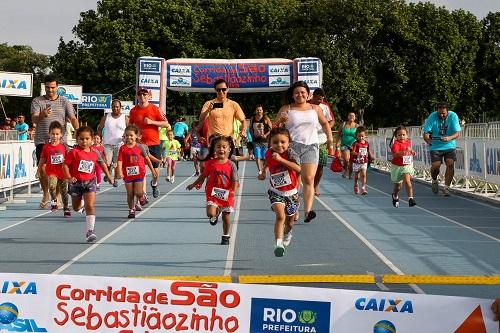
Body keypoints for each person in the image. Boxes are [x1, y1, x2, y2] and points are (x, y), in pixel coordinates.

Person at [273, 81, 334, 223]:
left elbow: (325, 123)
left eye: (302, 92)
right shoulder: (286, 108)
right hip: (292, 147)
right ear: (292, 95)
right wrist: (281, 121)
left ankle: (307, 211)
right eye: (296, 93)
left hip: (311, 146)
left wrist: (330, 139)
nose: (300, 95)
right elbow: (275, 128)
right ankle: (294, 207)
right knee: (294, 181)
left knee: (308, 179)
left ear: (308, 94)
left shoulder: (315, 108)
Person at [31, 75, 79, 209]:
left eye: (53, 87)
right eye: (47, 87)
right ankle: (46, 193)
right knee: (44, 169)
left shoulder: (64, 101)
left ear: (57, 87)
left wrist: (79, 131)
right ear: (44, 87)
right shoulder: (37, 101)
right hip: (42, 140)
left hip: (60, 142)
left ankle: (56, 196)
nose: (50, 90)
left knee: (59, 169)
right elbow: (34, 120)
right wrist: (42, 115)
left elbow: (73, 118)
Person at [63, 126, 113, 242]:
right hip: (75, 183)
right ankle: (81, 206)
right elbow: (65, 165)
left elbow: (102, 164)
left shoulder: (95, 152)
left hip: (90, 182)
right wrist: (69, 177)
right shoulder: (74, 152)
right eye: (81, 139)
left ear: (91, 140)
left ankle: (90, 231)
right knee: (75, 207)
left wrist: (109, 176)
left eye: (87, 139)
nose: (84, 141)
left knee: (90, 205)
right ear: (77, 139)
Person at [186, 135, 239, 245]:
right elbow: (203, 176)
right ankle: (216, 212)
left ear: (229, 149)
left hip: (227, 193)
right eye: (218, 147)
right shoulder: (210, 163)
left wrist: (233, 192)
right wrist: (194, 184)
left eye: (224, 147)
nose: (221, 149)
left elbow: (235, 181)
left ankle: (225, 235)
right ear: (214, 149)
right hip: (213, 193)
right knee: (210, 213)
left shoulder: (231, 164)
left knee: (226, 216)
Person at [258, 127, 301, 257]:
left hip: (291, 193)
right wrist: (263, 171)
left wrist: (281, 160)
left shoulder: (291, 153)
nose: (279, 145)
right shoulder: (269, 153)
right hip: (275, 191)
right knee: (280, 216)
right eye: (275, 142)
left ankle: (287, 233)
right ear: (270, 143)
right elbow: (267, 163)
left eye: (283, 142)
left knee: (290, 222)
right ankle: (278, 244)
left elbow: (298, 168)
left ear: (288, 142)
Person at [129, 87, 170, 198]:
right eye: (140, 94)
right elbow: (130, 127)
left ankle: (154, 184)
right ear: (137, 96)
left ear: (149, 96)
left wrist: (151, 122)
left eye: (144, 94)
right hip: (140, 144)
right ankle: (143, 194)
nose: (142, 96)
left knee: (155, 172)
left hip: (154, 143)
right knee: (141, 170)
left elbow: (166, 124)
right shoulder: (133, 110)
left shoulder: (155, 109)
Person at [115, 125, 157, 218]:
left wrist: (153, 170)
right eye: (126, 135)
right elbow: (120, 161)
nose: (129, 137)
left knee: (138, 192)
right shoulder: (122, 148)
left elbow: (147, 159)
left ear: (136, 136)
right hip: (127, 174)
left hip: (139, 173)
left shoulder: (140, 147)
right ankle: (131, 210)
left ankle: (142, 197)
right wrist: (119, 172)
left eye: (131, 135)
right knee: (130, 194)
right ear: (124, 136)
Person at [423, 102, 461, 196]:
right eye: (439, 113)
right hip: (435, 146)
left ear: (447, 111)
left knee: (450, 164)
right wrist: (429, 140)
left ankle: (446, 187)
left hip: (449, 145)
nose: (441, 115)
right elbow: (425, 133)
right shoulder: (432, 116)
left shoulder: (453, 116)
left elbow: (457, 133)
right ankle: (435, 180)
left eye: (443, 113)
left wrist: (449, 138)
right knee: (436, 166)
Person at [35, 121, 70, 217]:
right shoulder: (46, 147)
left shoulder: (64, 147)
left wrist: (68, 170)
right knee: (51, 186)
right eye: (53, 134)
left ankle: (66, 208)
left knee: (64, 192)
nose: (55, 136)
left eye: (57, 134)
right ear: (49, 134)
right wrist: (38, 171)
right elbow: (42, 159)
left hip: (62, 172)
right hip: (51, 172)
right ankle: (54, 201)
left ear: (61, 135)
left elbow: (69, 160)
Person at [310, 88, 335, 196]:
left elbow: (332, 120)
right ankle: (308, 185)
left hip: (322, 141)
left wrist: (327, 127)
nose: (320, 101)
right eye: (318, 99)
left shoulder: (325, 106)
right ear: (313, 96)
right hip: (309, 140)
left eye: (321, 99)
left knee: (321, 165)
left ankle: (315, 187)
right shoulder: (306, 105)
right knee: (309, 165)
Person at [97, 99, 129, 184]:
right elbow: (100, 128)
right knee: (107, 163)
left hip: (119, 144)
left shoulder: (125, 118)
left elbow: (129, 130)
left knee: (116, 163)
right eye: (114, 107)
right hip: (107, 144)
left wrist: (126, 138)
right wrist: (99, 138)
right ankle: (109, 172)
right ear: (111, 107)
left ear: (120, 107)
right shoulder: (106, 117)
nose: (115, 108)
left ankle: (114, 179)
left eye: (117, 107)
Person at [390, 125, 416, 207]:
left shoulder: (408, 142)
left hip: (406, 165)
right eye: (399, 135)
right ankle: (395, 196)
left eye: (404, 135)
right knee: (398, 187)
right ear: (396, 136)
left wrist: (412, 151)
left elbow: (409, 150)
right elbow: (395, 155)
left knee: (407, 181)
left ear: (407, 135)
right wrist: (404, 152)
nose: (402, 137)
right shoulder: (396, 144)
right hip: (397, 166)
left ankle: (410, 199)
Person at [249, 104, 272, 175]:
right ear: (255, 111)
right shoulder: (253, 118)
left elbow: (270, 129)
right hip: (256, 140)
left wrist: (265, 135)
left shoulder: (265, 118)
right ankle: (260, 170)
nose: (259, 111)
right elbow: (250, 128)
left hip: (264, 141)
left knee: (265, 157)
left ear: (262, 111)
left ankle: (264, 168)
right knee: (257, 156)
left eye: (260, 110)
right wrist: (252, 134)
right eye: (257, 110)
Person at [337, 112, 358, 179]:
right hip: (344, 145)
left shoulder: (357, 126)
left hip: (354, 146)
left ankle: (350, 174)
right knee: (346, 159)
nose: (351, 116)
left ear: (355, 118)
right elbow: (338, 134)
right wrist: (337, 142)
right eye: (350, 115)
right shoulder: (343, 124)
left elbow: (361, 135)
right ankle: (346, 169)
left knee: (351, 161)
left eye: (353, 116)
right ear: (348, 117)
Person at [350, 126, 371, 195]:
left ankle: (363, 188)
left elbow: (368, 151)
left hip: (364, 161)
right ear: (356, 136)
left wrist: (371, 156)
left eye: (362, 136)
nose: (361, 138)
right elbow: (352, 152)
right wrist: (357, 154)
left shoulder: (366, 143)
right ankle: (356, 184)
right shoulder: (355, 143)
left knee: (364, 174)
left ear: (365, 135)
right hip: (356, 161)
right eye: (359, 136)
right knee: (356, 176)